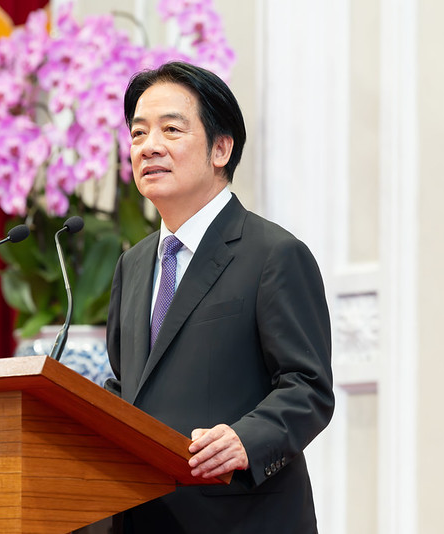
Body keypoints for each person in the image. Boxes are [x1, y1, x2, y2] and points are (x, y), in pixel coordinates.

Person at [104, 61, 334, 533]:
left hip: (240, 517)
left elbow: (308, 386)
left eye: (171, 129)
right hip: (144, 518)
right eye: (138, 133)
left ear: (221, 149)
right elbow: (128, 388)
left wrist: (246, 439)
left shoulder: (273, 254)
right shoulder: (133, 264)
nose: (149, 146)